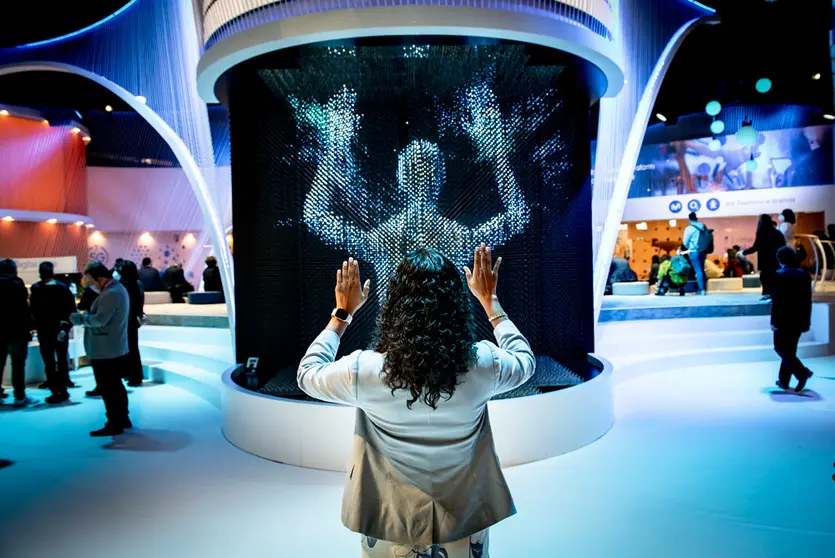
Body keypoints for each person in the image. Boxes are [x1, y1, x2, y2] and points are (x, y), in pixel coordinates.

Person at [297, 245, 535, 556]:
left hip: (391, 520)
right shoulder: (485, 365)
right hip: (464, 519)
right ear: (458, 305)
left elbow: (307, 373)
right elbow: (525, 360)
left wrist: (342, 314)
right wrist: (491, 304)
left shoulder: (364, 371)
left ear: (394, 306)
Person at [71, 262, 132, 436]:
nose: (90, 285)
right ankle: (121, 418)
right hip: (110, 347)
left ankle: (114, 422)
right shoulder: (115, 290)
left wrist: (79, 319)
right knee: (115, 386)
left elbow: (100, 320)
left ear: (99, 277)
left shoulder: (111, 293)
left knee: (109, 388)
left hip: (106, 349)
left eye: (90, 280)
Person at [30, 262, 77, 404]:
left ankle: (55, 389)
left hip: (45, 330)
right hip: (60, 329)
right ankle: (63, 386)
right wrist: (67, 326)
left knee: (49, 361)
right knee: (62, 358)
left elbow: (33, 311)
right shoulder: (62, 287)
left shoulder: (36, 288)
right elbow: (71, 308)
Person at [772, 247, 814, 392]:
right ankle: (784, 380)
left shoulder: (780, 274)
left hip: (784, 319)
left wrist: (774, 321)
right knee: (789, 349)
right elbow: (808, 300)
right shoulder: (804, 274)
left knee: (780, 348)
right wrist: (807, 321)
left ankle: (802, 372)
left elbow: (778, 301)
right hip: (800, 318)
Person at [0, 259, 34, 405]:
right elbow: (24, 308)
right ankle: (19, 396)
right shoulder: (17, 283)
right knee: (18, 364)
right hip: (16, 331)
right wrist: (30, 327)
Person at [743, 214, 786, 301]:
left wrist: (744, 252)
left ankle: (767, 294)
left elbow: (755, 247)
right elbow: (783, 245)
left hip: (765, 260)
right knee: (774, 277)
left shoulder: (761, 234)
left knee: (765, 277)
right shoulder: (778, 233)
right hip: (775, 260)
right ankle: (775, 294)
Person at [119, 261, 145, 387]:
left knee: (129, 348)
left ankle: (133, 375)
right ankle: (134, 375)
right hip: (133, 319)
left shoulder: (124, 285)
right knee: (132, 347)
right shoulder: (137, 283)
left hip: (126, 320)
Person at [682, 212, 711, 295]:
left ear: (689, 219)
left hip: (694, 251)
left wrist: (689, 248)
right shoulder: (703, 227)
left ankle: (701, 290)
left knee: (698, 270)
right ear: (696, 218)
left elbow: (685, 242)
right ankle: (704, 288)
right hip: (703, 251)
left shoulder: (689, 228)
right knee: (701, 269)